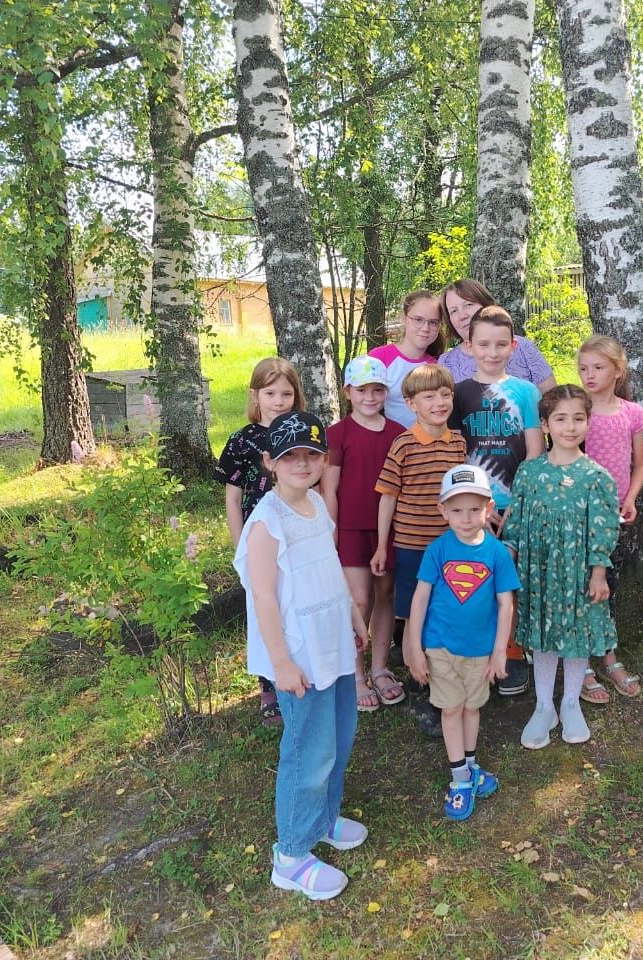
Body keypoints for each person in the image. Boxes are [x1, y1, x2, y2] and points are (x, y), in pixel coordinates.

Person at [233, 411, 371, 901]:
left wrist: (354, 614)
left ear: (323, 459)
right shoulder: (266, 523)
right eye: (289, 455)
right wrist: (282, 664)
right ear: (270, 462)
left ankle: (323, 819)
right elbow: (263, 598)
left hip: (331, 644)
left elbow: (329, 566)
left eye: (311, 454)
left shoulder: (315, 503)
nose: (302, 463)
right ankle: (290, 855)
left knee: (337, 738)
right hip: (299, 655)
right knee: (308, 751)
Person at [503, 386, 619, 749]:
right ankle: (543, 706)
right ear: (545, 424)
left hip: (578, 573)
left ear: (588, 422)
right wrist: (508, 555)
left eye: (578, 418)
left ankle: (570, 703)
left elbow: (603, 527)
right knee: (542, 633)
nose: (570, 427)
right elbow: (515, 522)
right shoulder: (529, 472)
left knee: (576, 632)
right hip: (537, 572)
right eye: (561, 419)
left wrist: (598, 571)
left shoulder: (596, 476)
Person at [404, 464, 519, 820]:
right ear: (443, 510)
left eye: (474, 509)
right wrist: (414, 648)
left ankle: (470, 766)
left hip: (481, 651)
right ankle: (459, 779)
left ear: (489, 508)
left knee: (472, 707)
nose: (466, 518)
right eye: (456, 510)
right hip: (441, 647)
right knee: (451, 709)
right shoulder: (437, 550)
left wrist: (500, 651)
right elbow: (420, 599)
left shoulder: (497, 553)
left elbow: (506, 604)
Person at [449, 304, 543, 696]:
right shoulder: (458, 394)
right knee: (472, 579)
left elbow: (535, 451)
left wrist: (519, 500)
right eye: (484, 344)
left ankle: (513, 651)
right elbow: (454, 453)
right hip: (471, 508)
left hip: (515, 504)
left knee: (510, 579)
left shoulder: (526, 392)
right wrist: (474, 505)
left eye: (500, 344)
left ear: (513, 346)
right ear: (469, 346)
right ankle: (475, 653)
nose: (492, 352)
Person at [371, 365, 468, 737]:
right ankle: (419, 687)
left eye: (445, 395)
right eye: (429, 396)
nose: (439, 402)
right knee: (415, 616)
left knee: (446, 613)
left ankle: (448, 682)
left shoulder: (458, 442)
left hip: (451, 548)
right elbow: (388, 498)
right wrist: (383, 545)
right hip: (413, 547)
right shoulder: (404, 444)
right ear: (411, 404)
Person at [215, 357, 304, 728]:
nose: (279, 401)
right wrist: (242, 547)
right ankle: (268, 684)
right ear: (255, 395)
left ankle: (300, 667)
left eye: (286, 394)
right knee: (263, 607)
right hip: (259, 541)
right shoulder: (242, 440)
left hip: (297, 535)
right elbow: (233, 498)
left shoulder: (302, 434)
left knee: (294, 603)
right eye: (270, 393)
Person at [320, 356, 407, 713]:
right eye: (362, 391)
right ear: (348, 392)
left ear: (385, 392)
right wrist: (332, 531)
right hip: (351, 528)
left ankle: (380, 668)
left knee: (386, 594)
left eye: (377, 390)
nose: (370, 398)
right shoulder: (337, 433)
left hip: (389, 527)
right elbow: (329, 488)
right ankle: (356, 674)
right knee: (358, 600)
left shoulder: (397, 433)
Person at [576, 335, 643, 703]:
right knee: (578, 586)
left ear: (618, 371)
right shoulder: (577, 410)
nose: (589, 375)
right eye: (583, 368)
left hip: (614, 517)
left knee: (606, 587)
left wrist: (631, 498)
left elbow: (641, 464)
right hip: (577, 516)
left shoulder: (631, 413)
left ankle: (607, 655)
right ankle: (582, 663)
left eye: (598, 367)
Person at [437, 278, 556, 391]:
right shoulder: (446, 363)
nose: (462, 315)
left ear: (486, 305)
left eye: (468, 305)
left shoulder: (523, 348)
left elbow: (553, 398)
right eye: (453, 311)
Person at [368, 289, 444, 428]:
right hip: (388, 439)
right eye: (418, 320)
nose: (425, 328)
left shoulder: (437, 366)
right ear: (403, 318)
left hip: (428, 440)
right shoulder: (380, 358)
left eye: (433, 322)